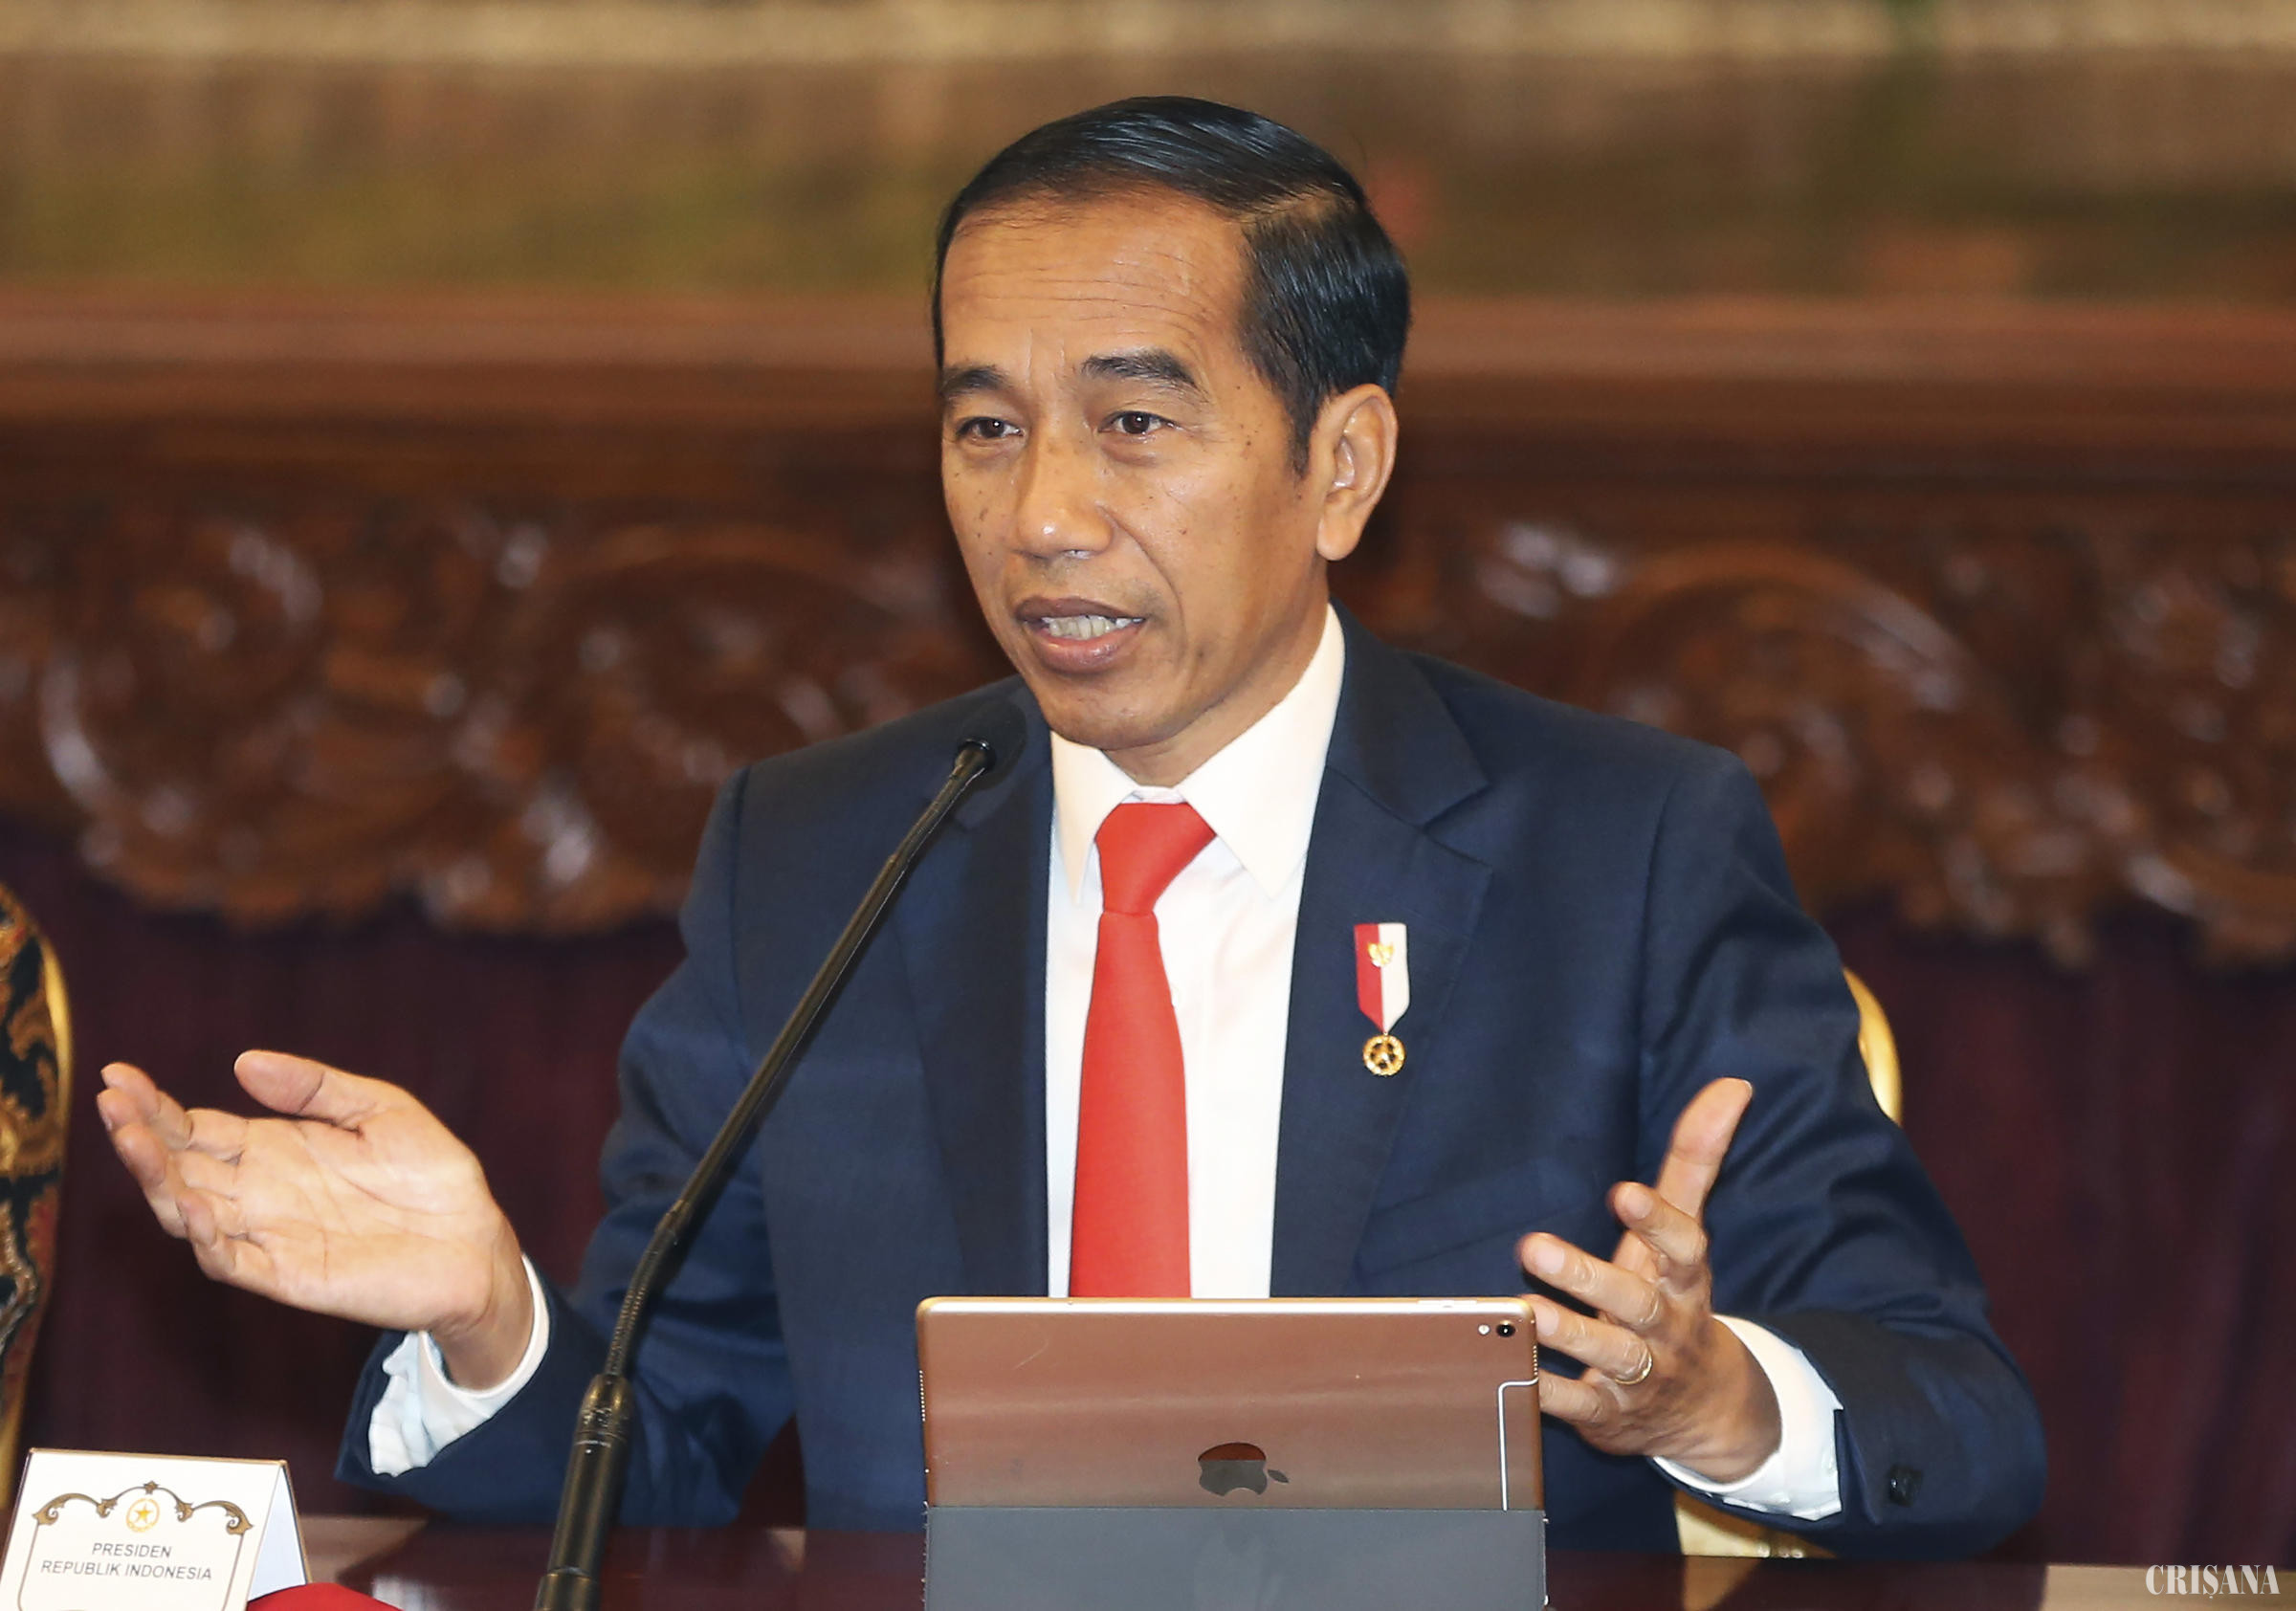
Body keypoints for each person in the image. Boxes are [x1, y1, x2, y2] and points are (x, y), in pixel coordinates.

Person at [97, 97, 2043, 1556]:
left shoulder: (1618, 852)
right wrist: (487, 1317)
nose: (1038, 516)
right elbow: (647, 1447)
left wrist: (1710, 1397)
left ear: (1343, 463)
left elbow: (1961, 1420)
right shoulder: (820, 857)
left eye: (1133, 424)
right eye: (984, 427)